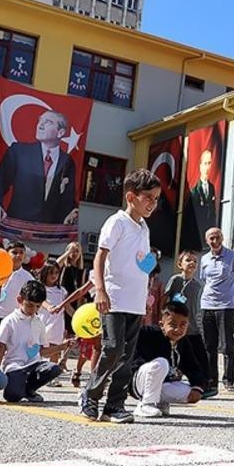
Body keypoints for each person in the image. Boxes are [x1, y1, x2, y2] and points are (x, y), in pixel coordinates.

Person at [78, 168, 161, 423]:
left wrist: (149, 282)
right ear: (130, 196)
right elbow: (100, 257)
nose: (152, 203)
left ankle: (114, 405)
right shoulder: (117, 222)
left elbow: (142, 262)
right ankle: (90, 395)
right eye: (148, 197)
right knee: (112, 348)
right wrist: (100, 290)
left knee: (127, 356)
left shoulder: (144, 227)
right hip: (114, 298)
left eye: (156, 199)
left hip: (135, 301)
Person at [0, 110, 78, 227]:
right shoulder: (19, 152)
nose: (40, 125)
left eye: (48, 122)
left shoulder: (67, 161)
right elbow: (0, 181)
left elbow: (67, 196)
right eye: (40, 120)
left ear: (60, 132)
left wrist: (73, 211)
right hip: (17, 225)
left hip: (48, 231)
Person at [0, 280, 72, 402]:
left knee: (53, 368)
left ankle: (29, 390)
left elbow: (42, 352)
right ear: (20, 300)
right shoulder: (9, 321)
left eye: (37, 306)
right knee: (13, 396)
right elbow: (1, 346)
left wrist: (62, 347)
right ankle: (20, 389)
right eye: (30, 305)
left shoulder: (39, 323)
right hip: (14, 367)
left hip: (33, 366)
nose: (33, 310)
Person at [129, 301, 207, 419]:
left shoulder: (184, 342)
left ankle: (159, 402)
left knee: (189, 392)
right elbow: (134, 333)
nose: (177, 329)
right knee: (161, 363)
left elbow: (193, 367)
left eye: (182, 325)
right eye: (173, 325)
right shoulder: (150, 333)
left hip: (163, 383)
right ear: (162, 325)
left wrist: (198, 387)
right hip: (139, 382)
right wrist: (142, 318)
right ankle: (145, 404)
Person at [199, 227, 234, 393]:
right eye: (211, 238)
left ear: (222, 238)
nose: (215, 241)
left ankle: (228, 380)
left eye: (217, 237)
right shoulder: (204, 259)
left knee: (227, 345)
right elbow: (205, 280)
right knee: (209, 345)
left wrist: (231, 295)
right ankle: (212, 381)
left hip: (227, 307)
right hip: (207, 305)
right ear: (207, 241)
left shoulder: (233, 256)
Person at [164, 250, 210, 396]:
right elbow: (166, 299)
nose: (192, 263)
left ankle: (204, 385)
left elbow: (197, 306)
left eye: (195, 261)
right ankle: (169, 380)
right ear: (180, 264)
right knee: (176, 355)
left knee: (200, 355)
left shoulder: (198, 285)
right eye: (188, 260)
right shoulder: (175, 280)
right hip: (176, 327)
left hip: (192, 327)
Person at [38, 260, 71, 384]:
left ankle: (51, 375)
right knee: (41, 347)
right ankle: (37, 370)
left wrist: (76, 316)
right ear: (44, 273)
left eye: (56, 272)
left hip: (57, 323)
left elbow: (67, 307)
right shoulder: (40, 288)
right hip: (43, 321)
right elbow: (41, 301)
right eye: (51, 272)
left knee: (55, 349)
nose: (54, 275)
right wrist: (49, 307)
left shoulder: (62, 290)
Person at [0, 242, 34, 318]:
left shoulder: (28, 278)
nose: (18, 255)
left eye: (21, 253)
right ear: (7, 254)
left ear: (24, 256)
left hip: (13, 319)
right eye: (14, 252)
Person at [188, 149, 219, 238]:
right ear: (200, 166)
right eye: (205, 163)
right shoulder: (194, 191)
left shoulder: (212, 187)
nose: (207, 167)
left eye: (209, 163)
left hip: (209, 234)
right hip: (198, 233)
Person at [144, 249, 164, 326]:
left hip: (151, 316)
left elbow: (161, 301)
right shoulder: (136, 278)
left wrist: (160, 318)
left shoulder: (158, 283)